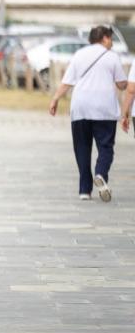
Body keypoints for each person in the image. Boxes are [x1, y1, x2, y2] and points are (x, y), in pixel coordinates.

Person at [50, 25, 126, 202]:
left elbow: (67, 82)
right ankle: (100, 174)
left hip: (81, 107)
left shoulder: (79, 55)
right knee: (105, 147)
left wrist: (55, 99)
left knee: (82, 148)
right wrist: (124, 85)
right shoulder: (112, 57)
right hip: (104, 109)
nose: (112, 42)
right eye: (111, 38)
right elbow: (122, 83)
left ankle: (84, 190)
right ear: (105, 38)